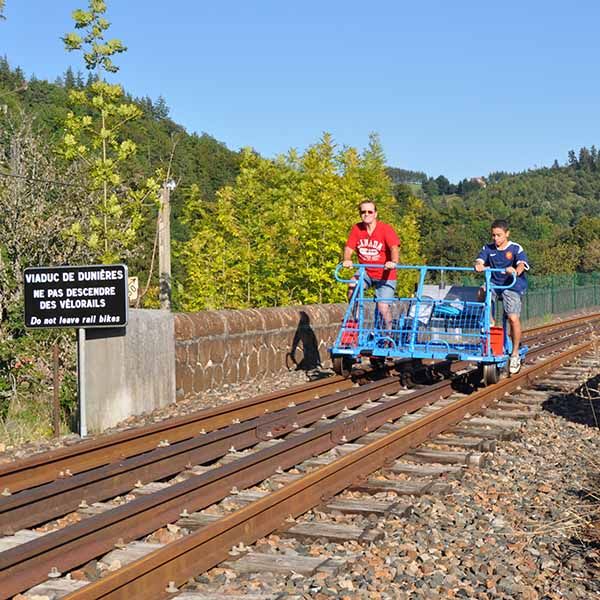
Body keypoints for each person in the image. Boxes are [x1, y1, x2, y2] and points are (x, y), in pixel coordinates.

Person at [474, 219, 529, 374]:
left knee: (512, 318)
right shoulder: (488, 248)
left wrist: (515, 270)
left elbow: (522, 264)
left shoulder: (515, 248)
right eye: (493, 235)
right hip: (493, 284)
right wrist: (478, 265)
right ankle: (490, 322)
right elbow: (479, 259)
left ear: (507, 234)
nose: (495, 239)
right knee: (481, 292)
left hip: (511, 285)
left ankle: (515, 353)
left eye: (499, 235)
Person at [342, 200, 400, 330]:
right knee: (352, 285)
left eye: (370, 211)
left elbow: (394, 248)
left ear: (375, 214)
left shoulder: (385, 229)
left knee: (382, 307)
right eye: (363, 212)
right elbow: (349, 248)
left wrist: (393, 262)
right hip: (366, 272)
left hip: (386, 274)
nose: (366, 214)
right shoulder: (357, 229)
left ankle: (388, 335)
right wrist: (347, 259)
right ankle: (356, 319)